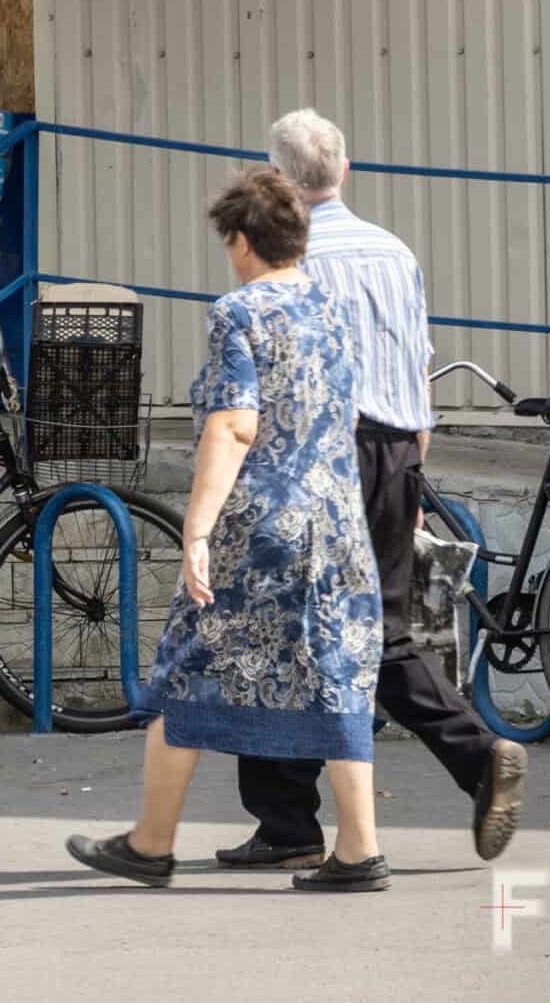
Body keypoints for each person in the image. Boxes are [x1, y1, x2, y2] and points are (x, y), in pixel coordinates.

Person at [213, 109, 528, 873]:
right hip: (396, 451)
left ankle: (292, 818)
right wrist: (412, 470)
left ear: (280, 182)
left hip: (322, 457)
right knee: (376, 627)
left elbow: (294, 380)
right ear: (344, 170)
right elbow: (414, 361)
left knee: (282, 629)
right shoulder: (394, 251)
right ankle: (465, 760)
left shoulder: (296, 260)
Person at [66, 166, 391, 891]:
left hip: (264, 525)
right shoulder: (335, 310)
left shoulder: (240, 313)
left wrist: (198, 527)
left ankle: (150, 844)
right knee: (335, 671)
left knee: (185, 670)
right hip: (335, 524)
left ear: (242, 240)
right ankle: (358, 848)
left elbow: (235, 425)